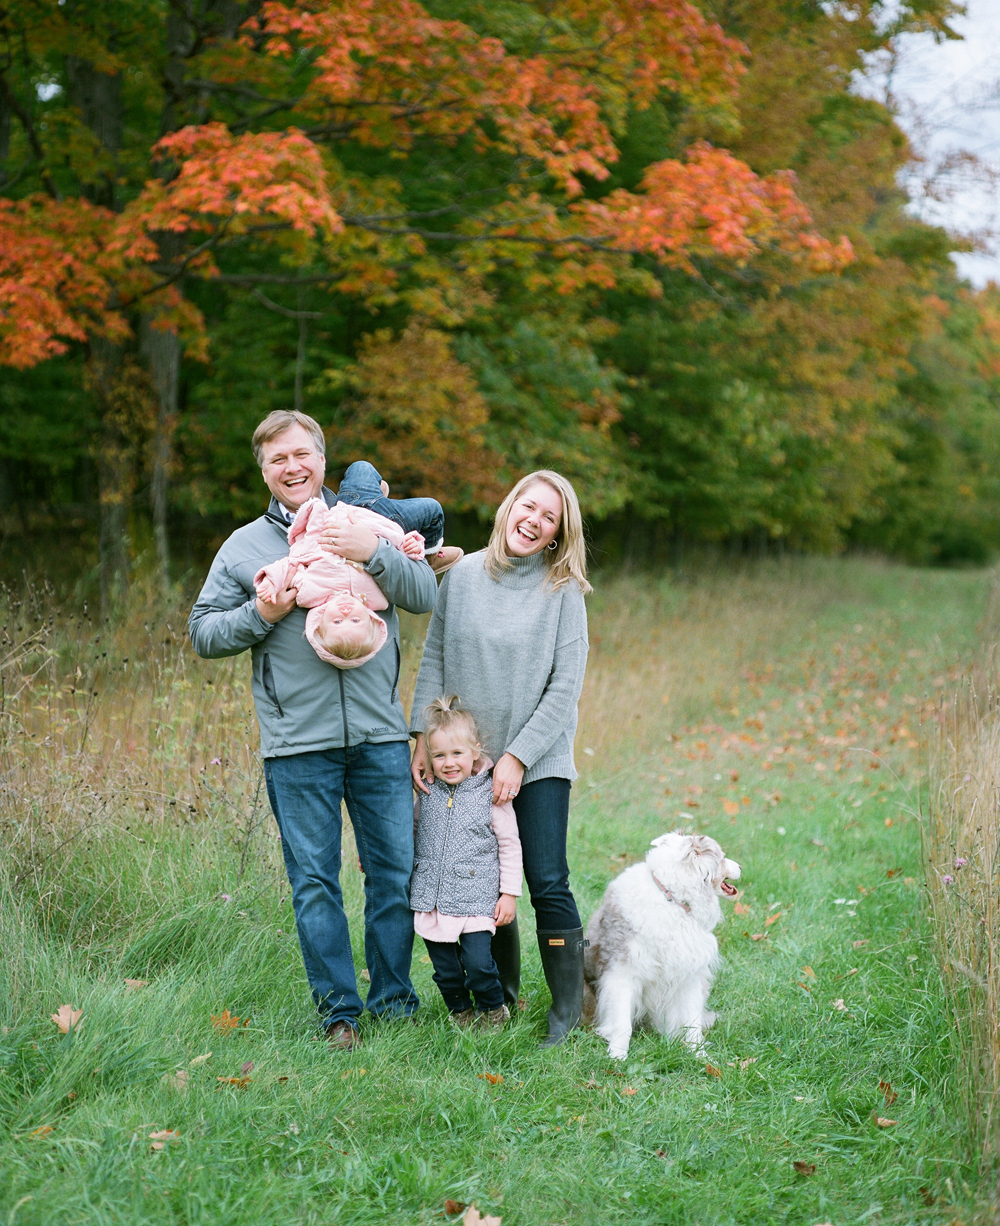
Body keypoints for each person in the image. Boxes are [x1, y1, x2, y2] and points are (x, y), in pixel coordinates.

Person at [189, 410, 439, 1051]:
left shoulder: (365, 521)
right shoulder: (244, 547)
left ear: (323, 460)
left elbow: (423, 595)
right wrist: (262, 610)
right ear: (264, 471)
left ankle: (394, 1001)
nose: (292, 468)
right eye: (278, 460)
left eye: (302, 454)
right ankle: (339, 1015)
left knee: (394, 873)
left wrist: (375, 554)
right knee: (314, 880)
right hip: (297, 743)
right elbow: (203, 632)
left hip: (381, 735)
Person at [410, 470, 591, 1048]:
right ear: (509, 505)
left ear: (558, 537)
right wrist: (422, 735)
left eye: (549, 520)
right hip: (462, 763)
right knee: (483, 883)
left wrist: (516, 756)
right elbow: (434, 655)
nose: (533, 522)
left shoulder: (562, 593)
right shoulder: (460, 577)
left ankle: (566, 1014)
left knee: (545, 880)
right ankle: (502, 1000)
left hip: (536, 761)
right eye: (528, 507)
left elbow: (565, 687)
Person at [411, 696, 522, 1030]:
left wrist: (509, 894)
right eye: (439, 755)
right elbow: (412, 833)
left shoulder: (490, 795)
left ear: (476, 751)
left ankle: (492, 1009)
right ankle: (460, 1011)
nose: (448, 763)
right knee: (444, 969)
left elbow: (510, 845)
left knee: (478, 963)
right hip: (433, 898)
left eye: (457, 753)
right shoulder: (427, 793)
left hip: (476, 899)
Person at [254, 495, 426, 667]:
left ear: (320, 623)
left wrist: (270, 583)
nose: (346, 613)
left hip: (335, 513)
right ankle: (432, 550)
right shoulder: (377, 598)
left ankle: (376, 494)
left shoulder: (309, 592)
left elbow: (288, 566)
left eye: (337, 622)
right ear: (370, 619)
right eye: (355, 621)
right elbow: (396, 564)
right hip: (378, 519)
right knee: (431, 510)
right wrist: (410, 548)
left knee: (361, 468)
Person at [337, 460, 463, 575]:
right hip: (382, 521)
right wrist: (416, 551)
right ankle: (429, 558)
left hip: (350, 508)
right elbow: (400, 544)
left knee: (361, 466)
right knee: (433, 509)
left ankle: (373, 496)